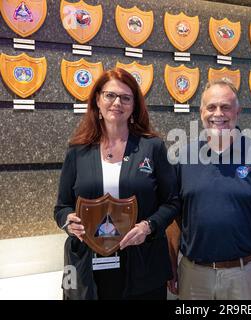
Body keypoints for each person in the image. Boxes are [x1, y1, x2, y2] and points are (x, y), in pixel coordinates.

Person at [54, 68, 179, 300]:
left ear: (134, 105)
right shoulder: (77, 150)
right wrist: (68, 222)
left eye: (125, 97)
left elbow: (172, 202)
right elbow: (61, 208)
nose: (117, 102)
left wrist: (148, 227)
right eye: (110, 95)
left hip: (143, 262)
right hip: (87, 266)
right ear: (98, 100)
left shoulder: (152, 147)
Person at [166, 80, 251, 300]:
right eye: (211, 107)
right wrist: (171, 265)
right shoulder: (182, 158)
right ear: (201, 111)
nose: (218, 113)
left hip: (246, 276)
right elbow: (174, 219)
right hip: (194, 277)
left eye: (226, 107)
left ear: (238, 112)